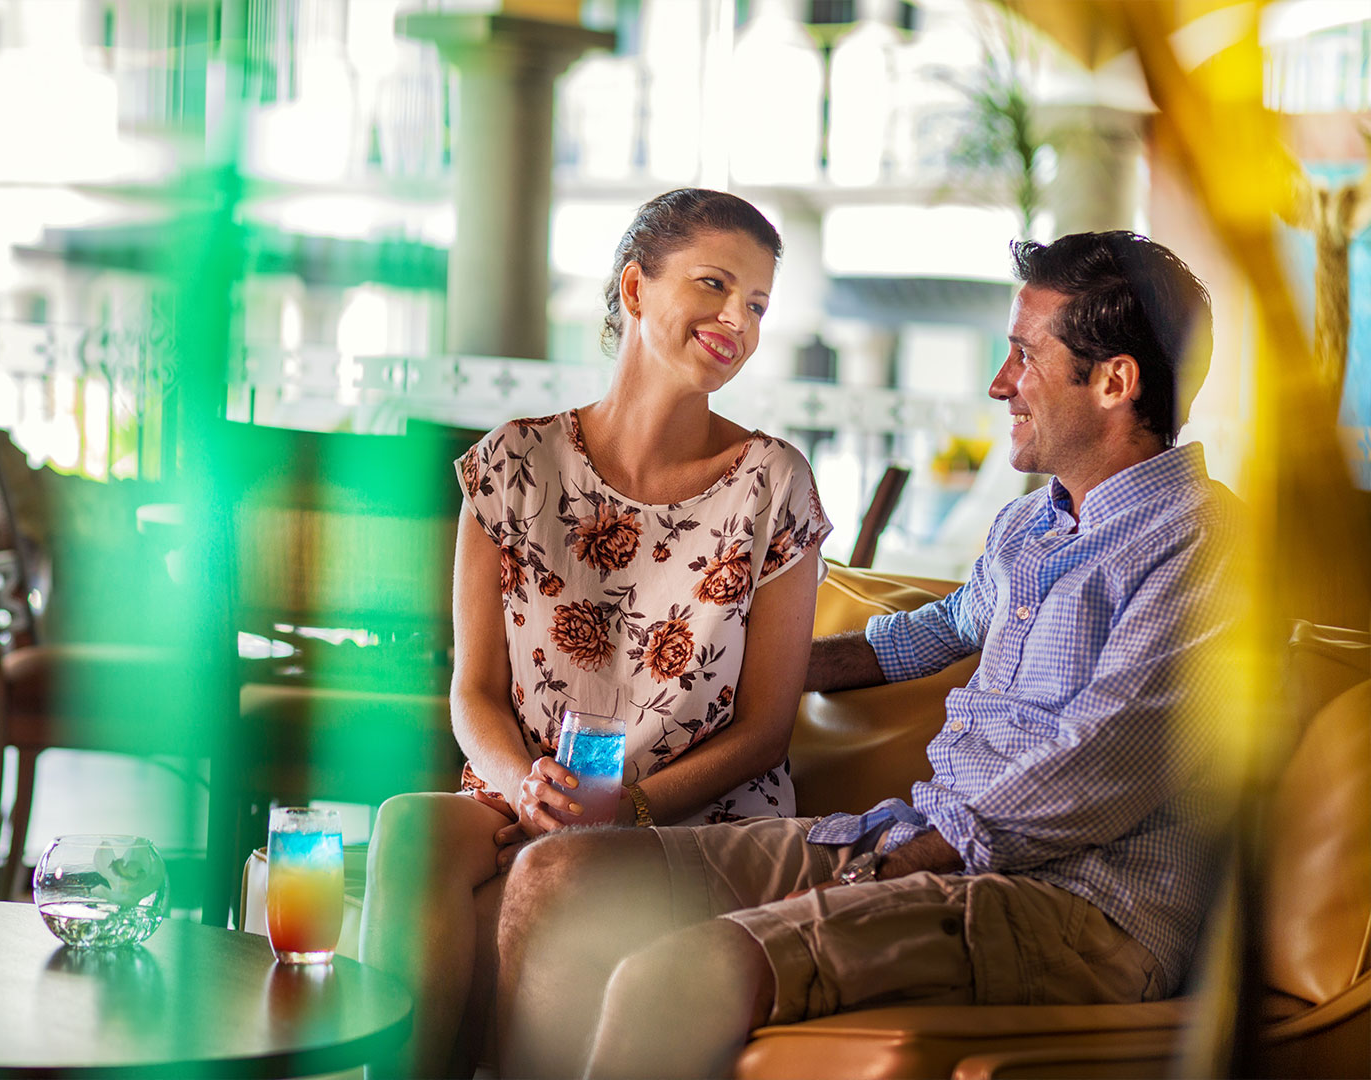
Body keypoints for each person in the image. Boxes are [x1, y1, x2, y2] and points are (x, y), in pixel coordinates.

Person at [493, 230, 1244, 1079]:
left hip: (1080, 909)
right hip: (930, 845)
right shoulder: (1035, 526)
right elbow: (941, 627)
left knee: (676, 974)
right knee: (561, 874)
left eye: (1022, 357)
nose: (1001, 385)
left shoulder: (1206, 550)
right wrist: (750, 661)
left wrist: (904, 862)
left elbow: (1104, 761)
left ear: (1114, 381)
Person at [359, 189, 831, 1077]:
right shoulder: (513, 464)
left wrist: (630, 809)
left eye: (758, 304)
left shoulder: (773, 483)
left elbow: (768, 728)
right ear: (636, 288)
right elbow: (474, 694)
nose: (739, 318)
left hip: (689, 818)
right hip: (527, 794)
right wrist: (524, 787)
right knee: (410, 828)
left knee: (565, 867)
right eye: (715, 284)